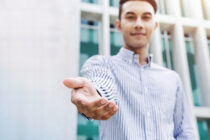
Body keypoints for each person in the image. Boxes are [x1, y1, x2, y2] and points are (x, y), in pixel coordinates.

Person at [63, 0, 196, 139]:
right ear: (119, 25)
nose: (139, 24)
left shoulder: (172, 78)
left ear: (155, 25)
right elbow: (102, 85)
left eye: (146, 17)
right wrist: (95, 96)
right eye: (130, 17)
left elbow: (184, 132)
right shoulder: (102, 64)